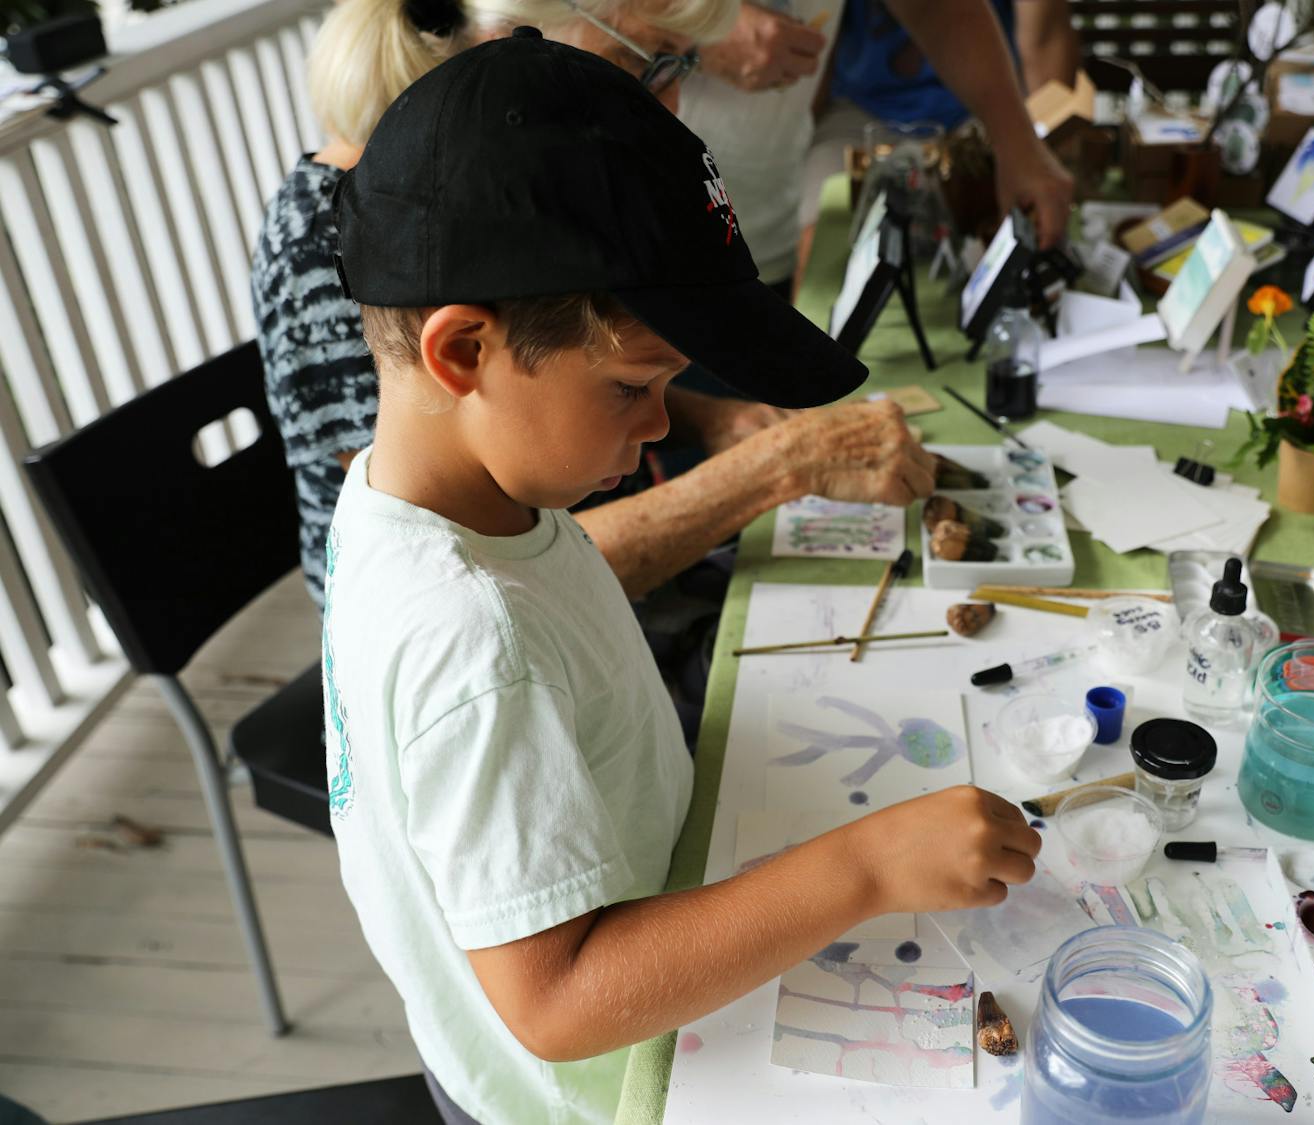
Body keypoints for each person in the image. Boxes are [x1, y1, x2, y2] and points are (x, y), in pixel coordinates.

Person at [328, 30, 1043, 1125]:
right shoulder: (466, 635)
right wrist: (863, 866)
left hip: (651, 894)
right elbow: (559, 1002)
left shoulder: (446, 503)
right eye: (632, 387)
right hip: (597, 1092)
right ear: (462, 351)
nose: (663, 423)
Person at [251, 0, 931, 612]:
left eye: (685, 65)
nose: (674, 106)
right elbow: (477, 563)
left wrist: (715, 417)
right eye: (650, 63)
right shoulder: (351, 242)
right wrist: (777, 467)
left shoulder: (499, 186)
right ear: (511, 40)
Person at [679, 0, 1075, 296]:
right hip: (651, 241)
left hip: (760, 230)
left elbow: (934, 9)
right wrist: (696, 30)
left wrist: (1020, 145)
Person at [797, 0, 1081, 279]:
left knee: (1010, 228)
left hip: (980, 109)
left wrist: (1034, 150)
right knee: (816, 229)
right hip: (861, 107)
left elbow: (1044, 38)